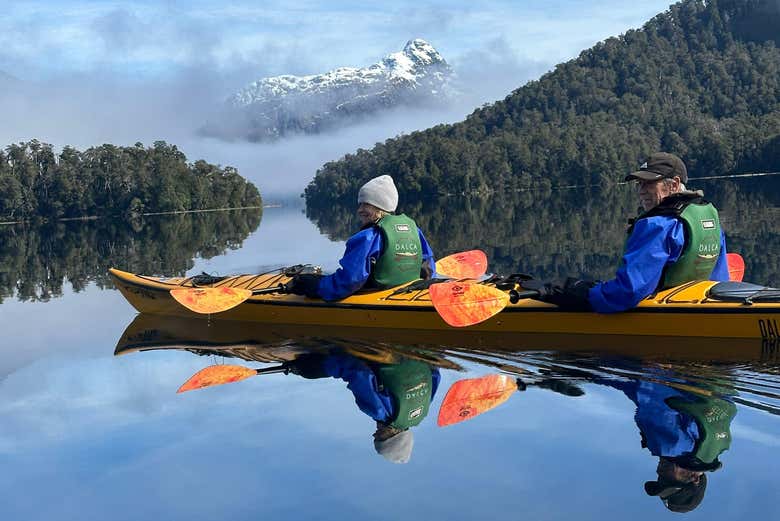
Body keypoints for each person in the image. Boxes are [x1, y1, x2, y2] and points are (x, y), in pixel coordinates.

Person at [529, 152, 730, 312]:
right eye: (639, 183)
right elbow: (720, 277)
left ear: (675, 184)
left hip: (657, 311)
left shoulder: (658, 224)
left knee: (570, 290)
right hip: (699, 303)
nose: (641, 190)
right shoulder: (707, 214)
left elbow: (629, 292)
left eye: (649, 183)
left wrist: (575, 293)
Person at [287, 175, 436, 300]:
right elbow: (428, 265)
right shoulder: (413, 229)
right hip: (407, 291)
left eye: (366, 205)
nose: (360, 210)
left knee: (310, 282)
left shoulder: (368, 237)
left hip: (377, 295)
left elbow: (350, 280)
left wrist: (312, 285)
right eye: (360, 205)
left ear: (380, 206)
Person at [287, 349, 441, 464]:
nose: (375, 435)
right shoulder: (380, 412)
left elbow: (435, 373)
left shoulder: (424, 410)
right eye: (380, 438)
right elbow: (357, 372)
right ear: (393, 437)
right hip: (385, 350)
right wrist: (310, 368)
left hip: (416, 350)